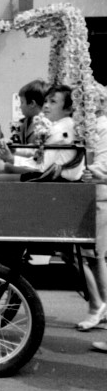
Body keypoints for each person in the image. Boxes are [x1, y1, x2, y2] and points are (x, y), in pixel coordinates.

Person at [0, 85, 84, 182]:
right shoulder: (66, 125)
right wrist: (14, 150)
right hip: (53, 175)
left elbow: (41, 166)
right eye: (45, 101)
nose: (46, 105)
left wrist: (11, 158)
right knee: (6, 169)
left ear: (68, 109)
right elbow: (37, 152)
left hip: (55, 179)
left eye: (53, 102)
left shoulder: (60, 129)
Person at [78, 84, 107, 337]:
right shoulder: (89, 126)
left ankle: (98, 307)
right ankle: (98, 306)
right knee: (87, 254)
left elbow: (102, 165)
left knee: (95, 255)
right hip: (89, 194)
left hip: (99, 195)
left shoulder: (102, 126)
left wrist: (91, 171)